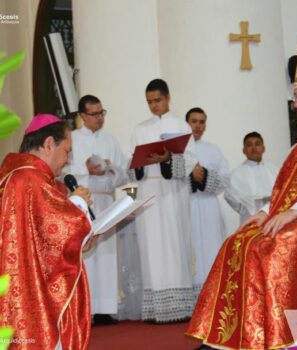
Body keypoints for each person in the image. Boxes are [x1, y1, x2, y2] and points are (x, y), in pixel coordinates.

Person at [187, 38, 297, 349]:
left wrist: (296, 211)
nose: (296, 103)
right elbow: (287, 187)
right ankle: (238, 337)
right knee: (237, 243)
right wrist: (268, 211)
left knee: (270, 250)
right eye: (296, 96)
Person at [0, 114, 92, 349]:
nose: (68, 160)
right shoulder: (29, 179)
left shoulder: (19, 175)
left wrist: (81, 238)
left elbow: (43, 239)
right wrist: (77, 205)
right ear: (49, 143)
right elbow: (55, 230)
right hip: (26, 287)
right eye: (67, 151)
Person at [129, 78, 197, 323]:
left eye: (157, 100)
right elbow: (131, 165)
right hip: (148, 188)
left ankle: (179, 308)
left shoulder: (181, 125)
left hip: (171, 191)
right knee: (151, 246)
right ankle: (155, 309)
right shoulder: (139, 128)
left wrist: (168, 158)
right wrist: (140, 162)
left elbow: (189, 161)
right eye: (149, 102)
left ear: (168, 98)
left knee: (174, 243)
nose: (153, 106)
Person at [64, 95, 128, 325]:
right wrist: (86, 169)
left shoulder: (110, 140)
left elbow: (125, 172)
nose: (100, 118)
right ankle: (87, 309)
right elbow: (63, 171)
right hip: (83, 201)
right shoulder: (72, 139)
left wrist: (111, 168)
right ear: (82, 116)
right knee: (87, 255)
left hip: (106, 201)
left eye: (102, 113)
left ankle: (105, 308)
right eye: (94, 114)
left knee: (107, 253)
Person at [185, 107, 230, 298]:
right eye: (194, 121)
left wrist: (204, 176)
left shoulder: (213, 150)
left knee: (212, 246)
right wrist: (190, 177)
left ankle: (213, 293)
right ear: (186, 124)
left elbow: (225, 180)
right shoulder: (180, 151)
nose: (198, 126)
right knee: (191, 247)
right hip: (187, 206)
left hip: (209, 205)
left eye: (202, 122)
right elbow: (172, 181)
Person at [224, 132, 278, 224]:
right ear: (244, 150)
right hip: (250, 217)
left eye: (257, 144)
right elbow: (229, 195)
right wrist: (244, 210)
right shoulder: (236, 173)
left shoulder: (275, 170)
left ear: (263, 148)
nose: (254, 148)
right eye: (249, 145)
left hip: (273, 216)